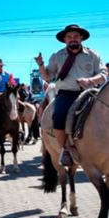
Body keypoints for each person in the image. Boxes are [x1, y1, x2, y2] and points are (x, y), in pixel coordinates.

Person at [34, 24, 107, 166]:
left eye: (75, 36)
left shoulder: (93, 55)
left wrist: (89, 80)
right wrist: (41, 64)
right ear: (65, 40)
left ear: (81, 38)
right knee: (58, 115)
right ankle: (64, 151)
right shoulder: (57, 56)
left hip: (91, 92)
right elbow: (47, 76)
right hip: (67, 94)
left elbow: (104, 74)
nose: (73, 39)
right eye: (69, 37)